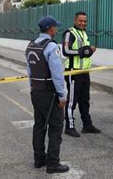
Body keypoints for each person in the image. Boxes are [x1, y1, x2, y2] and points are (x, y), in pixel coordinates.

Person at [26, 15, 69, 174]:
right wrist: (62, 95)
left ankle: (39, 159)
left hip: (36, 91)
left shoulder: (31, 45)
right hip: (49, 94)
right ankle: (53, 164)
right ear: (50, 28)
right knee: (56, 127)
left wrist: (32, 87)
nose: (56, 29)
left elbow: (29, 71)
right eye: (55, 27)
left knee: (39, 125)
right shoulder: (51, 47)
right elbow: (57, 74)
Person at [61, 11, 100, 137]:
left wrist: (89, 51)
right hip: (74, 71)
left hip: (84, 72)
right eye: (81, 21)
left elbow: (84, 53)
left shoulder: (83, 33)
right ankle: (69, 126)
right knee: (72, 101)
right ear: (75, 20)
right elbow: (66, 51)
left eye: (85, 21)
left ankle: (87, 125)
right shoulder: (69, 33)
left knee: (85, 100)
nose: (83, 23)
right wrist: (84, 50)